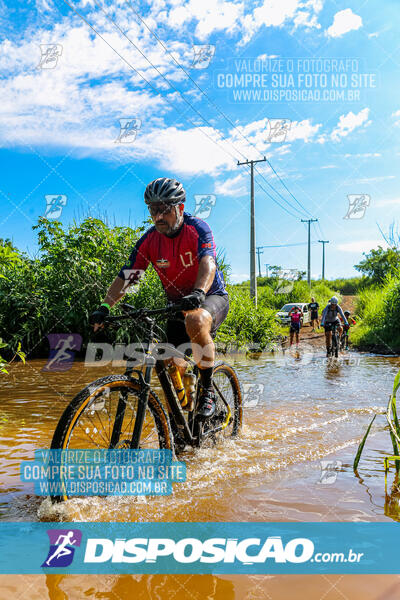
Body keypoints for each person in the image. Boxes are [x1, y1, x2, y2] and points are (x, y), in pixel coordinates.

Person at [89, 177, 228, 420]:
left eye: (165, 210)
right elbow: (126, 277)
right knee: (166, 360)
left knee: (195, 321)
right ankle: (183, 416)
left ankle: (208, 392)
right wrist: (104, 307)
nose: (159, 216)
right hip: (176, 306)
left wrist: (198, 293)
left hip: (210, 297)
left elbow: (208, 263)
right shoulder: (150, 240)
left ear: (180, 208)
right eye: (154, 210)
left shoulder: (197, 229)